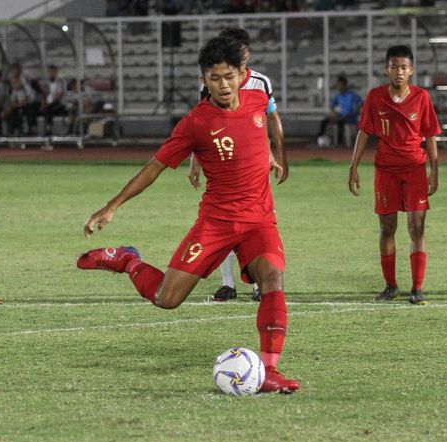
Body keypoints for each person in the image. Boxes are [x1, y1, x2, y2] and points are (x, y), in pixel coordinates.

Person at [77, 36, 299, 394]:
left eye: (228, 76)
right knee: (167, 298)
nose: (223, 85)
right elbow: (154, 168)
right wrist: (112, 206)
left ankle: (269, 371)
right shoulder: (196, 122)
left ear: (243, 75)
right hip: (217, 222)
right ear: (202, 81)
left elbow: (257, 135)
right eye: (214, 78)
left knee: (273, 278)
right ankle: (127, 261)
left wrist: (269, 155)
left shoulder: (258, 100)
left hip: (260, 219)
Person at [189, 27, 288, 303]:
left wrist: (277, 154)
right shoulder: (212, 85)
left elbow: (270, 121)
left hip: (253, 166)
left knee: (257, 222)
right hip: (222, 164)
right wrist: (194, 163)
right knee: (226, 221)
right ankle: (228, 283)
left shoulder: (260, 83)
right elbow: (201, 125)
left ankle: (259, 283)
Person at [348, 44, 441, 305]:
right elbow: (364, 132)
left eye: (404, 67)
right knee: (387, 227)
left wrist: (434, 171)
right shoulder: (376, 97)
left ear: (411, 70)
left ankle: (417, 287)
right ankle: (391, 286)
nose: (398, 71)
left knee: (416, 227)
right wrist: (353, 166)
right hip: (385, 170)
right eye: (394, 67)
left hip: (414, 169)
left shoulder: (421, 97)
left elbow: (431, 134)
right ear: (385, 69)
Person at [316, 75, 363, 147]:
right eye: (337, 85)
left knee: (341, 121)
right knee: (325, 121)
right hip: (341, 116)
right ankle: (319, 139)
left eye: (340, 85)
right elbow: (332, 106)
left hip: (351, 117)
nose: (338, 86)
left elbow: (362, 103)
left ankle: (339, 143)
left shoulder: (352, 95)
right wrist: (334, 113)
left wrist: (356, 111)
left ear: (344, 85)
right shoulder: (338, 96)